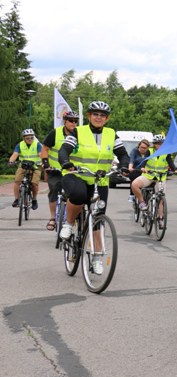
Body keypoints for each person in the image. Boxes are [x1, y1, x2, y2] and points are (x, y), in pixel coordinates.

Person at [58, 101, 130, 274]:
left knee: (98, 219)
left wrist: (124, 166)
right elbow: (64, 149)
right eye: (95, 114)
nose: (99, 117)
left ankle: (97, 257)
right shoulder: (78, 131)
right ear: (89, 116)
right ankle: (68, 224)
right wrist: (66, 162)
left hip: (100, 180)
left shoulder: (111, 134)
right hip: (76, 175)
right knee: (78, 195)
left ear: (107, 118)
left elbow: (123, 155)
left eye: (102, 115)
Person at [40, 110, 79, 230]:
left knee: (74, 194)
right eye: (71, 121)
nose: (74, 123)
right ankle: (52, 218)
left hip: (72, 170)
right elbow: (45, 149)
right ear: (65, 121)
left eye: (76, 121)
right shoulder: (55, 133)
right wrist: (46, 163)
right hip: (55, 169)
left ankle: (72, 217)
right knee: (53, 192)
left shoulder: (79, 134)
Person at [131, 134, 177, 227]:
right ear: (154, 144)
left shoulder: (167, 153)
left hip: (161, 178)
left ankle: (160, 218)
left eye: (161, 144)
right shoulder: (149, 151)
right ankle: (141, 202)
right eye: (157, 144)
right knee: (134, 185)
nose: (159, 145)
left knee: (160, 199)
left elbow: (171, 163)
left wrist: (175, 170)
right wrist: (143, 167)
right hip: (148, 176)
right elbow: (144, 160)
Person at [8, 128, 42, 210]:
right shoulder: (20, 145)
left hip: (35, 166)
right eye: (28, 138)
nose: (30, 139)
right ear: (24, 138)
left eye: (32, 137)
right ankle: (16, 199)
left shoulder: (37, 144)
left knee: (34, 183)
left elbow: (41, 154)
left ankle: (34, 199)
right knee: (17, 181)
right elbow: (15, 154)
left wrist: (44, 162)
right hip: (23, 165)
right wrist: (11, 161)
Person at [127, 138, 152, 203]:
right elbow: (131, 160)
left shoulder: (149, 152)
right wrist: (130, 168)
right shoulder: (134, 151)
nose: (143, 149)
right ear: (139, 146)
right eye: (142, 147)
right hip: (136, 170)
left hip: (146, 171)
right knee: (133, 176)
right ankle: (132, 194)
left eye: (145, 148)